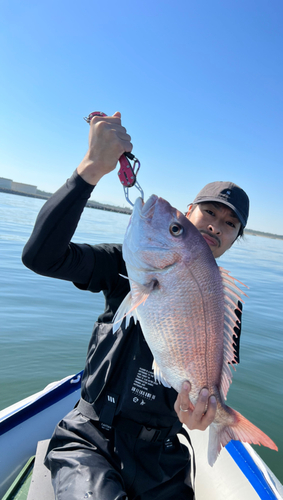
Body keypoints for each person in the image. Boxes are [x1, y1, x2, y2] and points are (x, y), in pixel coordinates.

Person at [22, 112, 250, 500]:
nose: (215, 225)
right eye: (209, 212)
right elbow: (42, 257)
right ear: (189, 210)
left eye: (230, 224)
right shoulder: (124, 267)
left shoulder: (226, 304)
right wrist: (91, 169)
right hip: (91, 439)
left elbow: (212, 376)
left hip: (162, 455)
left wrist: (200, 417)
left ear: (234, 238)